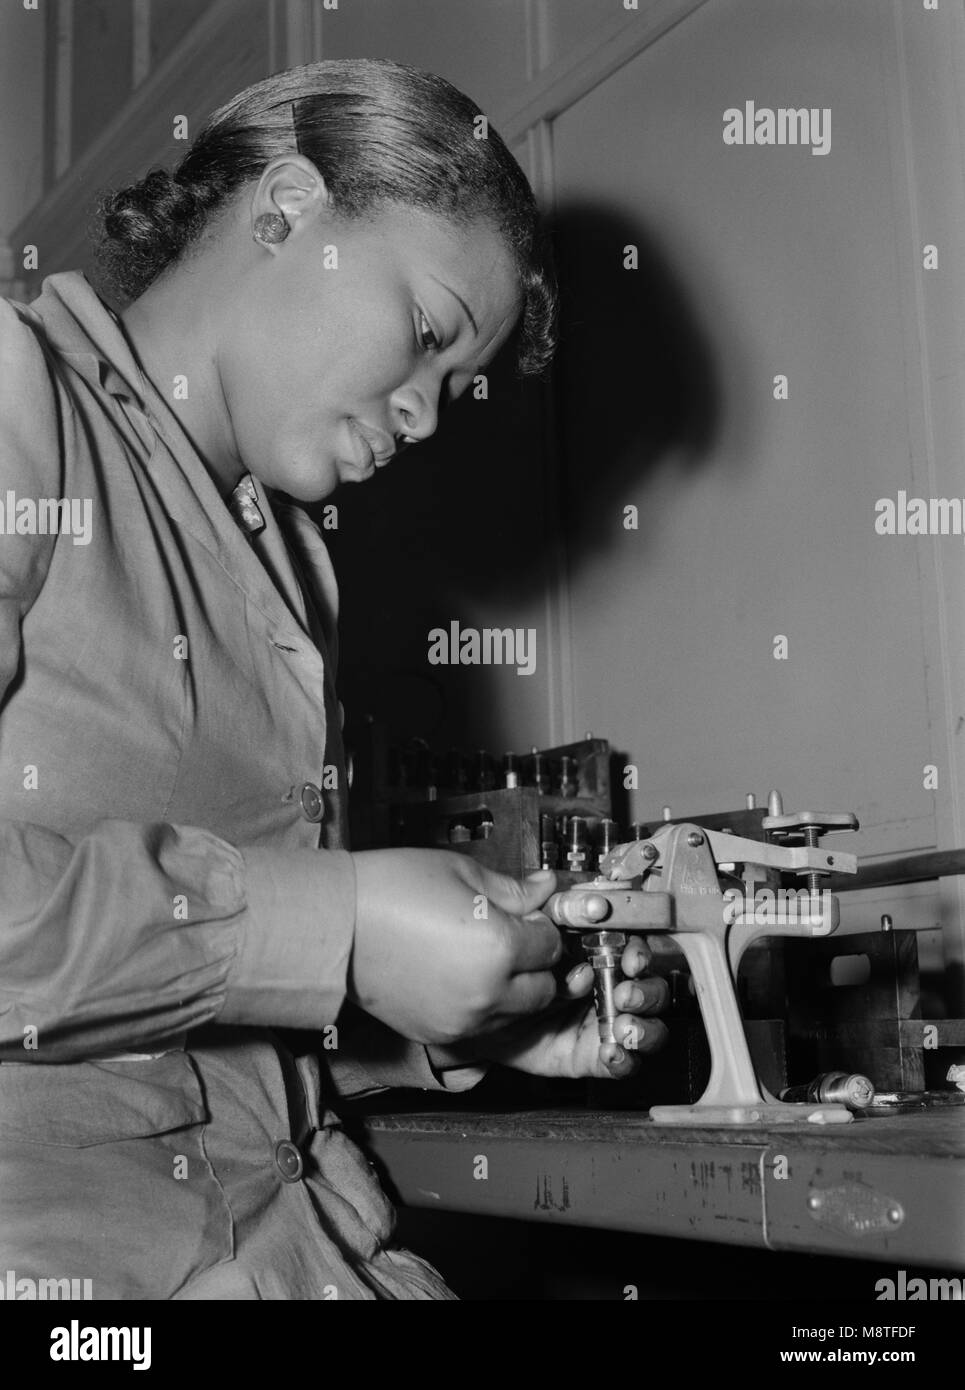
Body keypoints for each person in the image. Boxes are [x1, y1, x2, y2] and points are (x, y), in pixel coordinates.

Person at [0, 58, 668, 1300]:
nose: (423, 417)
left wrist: (465, 1024)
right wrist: (345, 928)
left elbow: (206, 1042)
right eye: (423, 334)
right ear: (287, 205)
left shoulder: (294, 573)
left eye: (450, 388)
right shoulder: (15, 396)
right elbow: (273, 936)